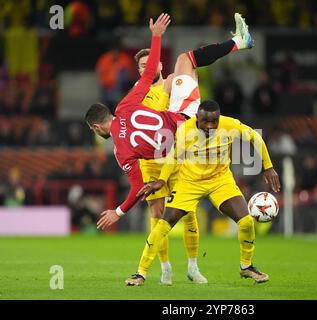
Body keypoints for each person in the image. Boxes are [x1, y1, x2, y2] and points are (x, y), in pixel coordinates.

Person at [85, 13, 255, 284]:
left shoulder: (124, 145)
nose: (144, 69)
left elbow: (135, 187)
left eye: (145, 65)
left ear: (96, 127)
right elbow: (154, 76)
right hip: (172, 146)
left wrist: (117, 212)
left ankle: (188, 266)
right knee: (187, 60)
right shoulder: (129, 102)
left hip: (178, 143)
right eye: (140, 67)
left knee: (184, 213)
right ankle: (162, 268)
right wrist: (156, 36)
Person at [131, 100, 281, 286]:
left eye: (214, 121)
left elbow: (255, 138)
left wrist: (268, 167)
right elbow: (174, 157)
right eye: (205, 122)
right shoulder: (185, 130)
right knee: (163, 224)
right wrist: (161, 181)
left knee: (246, 221)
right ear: (197, 118)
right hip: (189, 182)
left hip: (220, 180)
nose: (210, 126)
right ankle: (141, 273)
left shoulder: (230, 124)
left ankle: (246, 266)